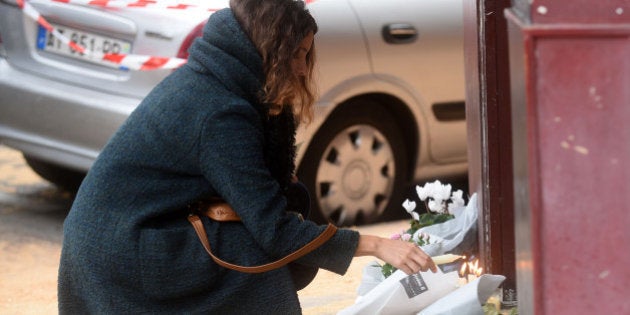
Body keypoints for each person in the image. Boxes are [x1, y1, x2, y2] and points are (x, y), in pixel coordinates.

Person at [57, 0, 437, 313]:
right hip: (121, 251)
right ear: (271, 48)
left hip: (118, 236)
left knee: (249, 244)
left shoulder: (222, 79)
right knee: (251, 260)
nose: (304, 69)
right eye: (298, 55)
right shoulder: (220, 112)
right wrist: (377, 245)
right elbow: (273, 229)